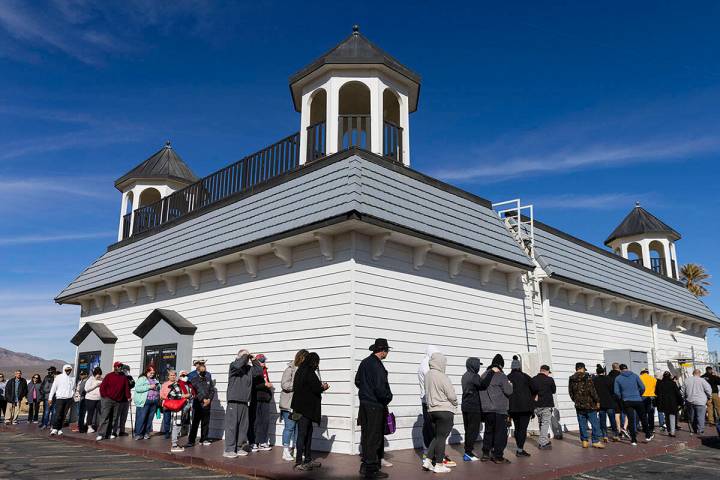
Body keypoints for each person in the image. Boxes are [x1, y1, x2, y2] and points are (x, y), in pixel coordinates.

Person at [355, 338, 393, 479]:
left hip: (364, 404)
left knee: (367, 435)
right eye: (387, 350)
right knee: (374, 436)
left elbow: (357, 380)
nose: (387, 353)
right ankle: (371, 468)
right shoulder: (377, 366)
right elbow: (380, 388)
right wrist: (388, 397)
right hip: (374, 405)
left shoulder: (365, 362)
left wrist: (366, 390)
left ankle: (366, 465)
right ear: (382, 351)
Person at [292, 352, 329, 471]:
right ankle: (299, 462)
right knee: (304, 435)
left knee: (305, 433)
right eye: (317, 362)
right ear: (314, 362)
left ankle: (307, 459)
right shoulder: (309, 372)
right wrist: (323, 387)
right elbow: (316, 388)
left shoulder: (299, 371)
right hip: (306, 410)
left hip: (298, 408)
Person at [423, 352, 457, 474]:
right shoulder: (443, 376)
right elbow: (451, 395)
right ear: (441, 362)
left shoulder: (427, 375)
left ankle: (427, 461)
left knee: (437, 437)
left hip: (431, 410)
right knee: (441, 438)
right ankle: (439, 464)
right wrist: (455, 402)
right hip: (444, 410)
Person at [224, 350, 262, 458]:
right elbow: (238, 365)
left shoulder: (249, 369)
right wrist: (245, 356)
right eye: (245, 356)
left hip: (245, 401)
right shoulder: (233, 365)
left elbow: (259, 372)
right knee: (232, 426)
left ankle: (240, 447)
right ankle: (229, 449)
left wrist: (254, 360)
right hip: (233, 401)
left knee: (243, 427)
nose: (247, 358)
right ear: (239, 357)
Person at [479, 354, 513, 463]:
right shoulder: (502, 376)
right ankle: (498, 456)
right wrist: (510, 384)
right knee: (500, 433)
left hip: (487, 409)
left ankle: (485, 453)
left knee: (488, 431)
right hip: (500, 409)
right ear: (501, 365)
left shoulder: (483, 375)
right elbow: (509, 391)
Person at [280, 349, 308, 461]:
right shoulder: (290, 369)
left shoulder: (305, 370)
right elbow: (284, 385)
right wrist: (298, 384)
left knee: (298, 428)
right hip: (289, 405)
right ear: (301, 358)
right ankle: (285, 450)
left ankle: (297, 449)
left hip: (298, 405)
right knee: (289, 427)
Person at [568, 362, 604, 449]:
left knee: (582, 424)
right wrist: (597, 401)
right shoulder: (587, 377)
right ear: (583, 368)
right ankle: (595, 441)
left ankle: (584, 441)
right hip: (590, 404)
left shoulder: (571, 378)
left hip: (579, 405)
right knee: (595, 423)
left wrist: (576, 400)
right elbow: (592, 391)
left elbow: (571, 392)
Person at [614, 364, 651, 445]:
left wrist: (622, 397)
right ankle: (647, 435)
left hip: (627, 400)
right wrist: (639, 394)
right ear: (627, 368)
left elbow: (616, 392)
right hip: (637, 399)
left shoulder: (618, 378)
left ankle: (633, 440)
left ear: (620, 370)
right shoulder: (635, 376)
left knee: (631, 420)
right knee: (643, 417)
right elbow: (643, 387)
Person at [96, 361, 131, 441]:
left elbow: (126, 388)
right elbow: (102, 387)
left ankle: (111, 432)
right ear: (115, 367)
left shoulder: (124, 377)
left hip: (118, 401)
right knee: (105, 417)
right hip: (107, 399)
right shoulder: (109, 376)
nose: (119, 368)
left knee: (114, 418)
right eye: (118, 366)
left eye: (120, 367)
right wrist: (104, 396)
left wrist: (128, 396)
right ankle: (101, 434)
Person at [461, 357, 487, 461]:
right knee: (473, 430)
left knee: (468, 429)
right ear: (473, 365)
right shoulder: (474, 376)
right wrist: (490, 374)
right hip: (473, 407)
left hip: (465, 406)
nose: (479, 367)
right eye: (478, 365)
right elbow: (483, 385)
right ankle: (468, 453)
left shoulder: (465, 375)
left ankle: (467, 451)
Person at [508, 356, 533, 457]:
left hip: (513, 408)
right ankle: (520, 449)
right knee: (522, 429)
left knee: (517, 428)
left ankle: (519, 447)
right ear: (519, 367)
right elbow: (534, 387)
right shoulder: (525, 377)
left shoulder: (508, 377)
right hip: (525, 408)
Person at [188, 359, 215, 447]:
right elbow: (195, 391)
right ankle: (191, 440)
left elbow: (212, 390)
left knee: (205, 423)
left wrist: (209, 399)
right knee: (195, 423)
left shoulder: (208, 379)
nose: (204, 373)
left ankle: (204, 439)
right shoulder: (194, 380)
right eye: (202, 371)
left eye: (205, 371)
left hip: (207, 404)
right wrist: (203, 399)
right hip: (198, 404)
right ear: (198, 371)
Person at [167, 369, 194, 453]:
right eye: (182, 375)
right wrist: (183, 395)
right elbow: (170, 395)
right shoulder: (176, 384)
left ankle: (175, 444)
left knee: (181, 425)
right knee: (176, 425)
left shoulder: (189, 385)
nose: (184, 377)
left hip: (186, 407)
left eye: (186, 375)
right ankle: (174, 445)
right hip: (178, 408)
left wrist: (190, 396)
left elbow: (192, 394)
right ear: (179, 376)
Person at [251, 353, 274, 452]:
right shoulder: (254, 371)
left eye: (264, 361)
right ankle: (254, 442)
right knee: (256, 421)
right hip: (256, 398)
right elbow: (254, 386)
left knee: (265, 421)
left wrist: (269, 394)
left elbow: (266, 383)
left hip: (265, 399)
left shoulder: (265, 371)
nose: (264, 363)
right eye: (262, 361)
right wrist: (265, 385)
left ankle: (263, 442)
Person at [530, 365, 556, 450]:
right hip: (547, 405)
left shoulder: (533, 379)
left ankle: (544, 440)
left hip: (536, 405)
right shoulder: (549, 380)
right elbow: (553, 391)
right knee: (545, 424)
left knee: (541, 423)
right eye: (548, 372)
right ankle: (543, 443)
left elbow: (531, 391)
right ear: (547, 371)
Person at [592, 364, 619, 442]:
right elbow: (613, 391)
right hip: (609, 402)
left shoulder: (594, 380)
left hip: (600, 403)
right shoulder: (609, 379)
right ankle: (615, 435)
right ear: (604, 372)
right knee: (612, 419)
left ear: (597, 372)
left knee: (602, 420)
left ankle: (605, 435)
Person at [682, 369, 712, 434]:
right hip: (700, 401)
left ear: (693, 373)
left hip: (690, 400)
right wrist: (709, 396)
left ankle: (695, 429)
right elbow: (708, 389)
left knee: (692, 417)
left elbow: (682, 391)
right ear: (699, 373)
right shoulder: (702, 380)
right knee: (700, 417)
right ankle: (700, 430)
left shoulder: (687, 380)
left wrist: (684, 398)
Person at [133, 366, 160, 440]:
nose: (152, 374)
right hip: (144, 401)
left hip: (154, 401)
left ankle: (146, 433)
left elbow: (158, 388)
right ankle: (138, 434)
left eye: (153, 373)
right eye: (150, 373)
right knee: (141, 418)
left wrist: (158, 387)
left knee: (149, 419)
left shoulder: (155, 379)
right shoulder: (142, 379)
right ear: (147, 372)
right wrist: (149, 387)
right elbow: (138, 388)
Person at [48, 364, 75, 436]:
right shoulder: (59, 377)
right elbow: (53, 388)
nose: (68, 371)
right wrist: (50, 398)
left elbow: (72, 388)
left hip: (68, 399)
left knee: (63, 415)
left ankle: (59, 429)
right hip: (60, 398)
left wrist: (72, 395)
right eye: (67, 370)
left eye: (69, 370)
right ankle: (54, 428)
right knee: (58, 414)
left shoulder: (72, 378)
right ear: (64, 370)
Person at [656, 371, 683, 437]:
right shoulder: (673, 383)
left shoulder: (660, 383)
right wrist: (681, 402)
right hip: (672, 403)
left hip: (664, 403)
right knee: (672, 416)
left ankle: (669, 430)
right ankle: (672, 431)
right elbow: (678, 393)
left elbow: (656, 392)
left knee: (667, 417)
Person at [113, 365, 135, 437]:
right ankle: (114, 431)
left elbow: (132, 385)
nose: (126, 371)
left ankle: (122, 431)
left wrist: (128, 377)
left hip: (126, 399)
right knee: (116, 416)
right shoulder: (119, 376)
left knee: (124, 416)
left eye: (127, 370)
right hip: (119, 400)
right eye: (125, 370)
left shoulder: (129, 377)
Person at [607, 362, 627, 437]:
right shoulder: (621, 376)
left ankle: (618, 429)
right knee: (624, 413)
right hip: (622, 396)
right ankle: (623, 429)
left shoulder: (608, 376)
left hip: (612, 397)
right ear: (618, 368)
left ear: (612, 367)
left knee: (617, 413)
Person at [84, 367, 102, 433]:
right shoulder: (90, 379)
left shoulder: (100, 380)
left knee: (101, 412)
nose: (99, 375)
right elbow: (86, 389)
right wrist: (95, 385)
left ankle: (101, 426)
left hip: (99, 399)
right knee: (90, 413)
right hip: (90, 399)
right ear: (95, 374)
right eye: (98, 374)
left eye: (100, 374)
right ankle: (89, 427)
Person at [639, 369, 657, 435]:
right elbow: (656, 388)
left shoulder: (640, 378)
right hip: (651, 396)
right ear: (647, 372)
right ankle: (651, 428)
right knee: (651, 414)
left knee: (643, 413)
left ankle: (645, 428)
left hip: (642, 397)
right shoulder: (653, 379)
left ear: (642, 372)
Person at [160, 371, 176, 439]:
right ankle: (167, 433)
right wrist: (169, 398)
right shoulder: (164, 384)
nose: (173, 376)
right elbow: (161, 396)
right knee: (167, 419)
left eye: (174, 375)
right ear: (168, 376)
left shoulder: (178, 384)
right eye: (171, 375)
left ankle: (175, 433)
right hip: (167, 404)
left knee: (175, 420)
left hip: (176, 404)